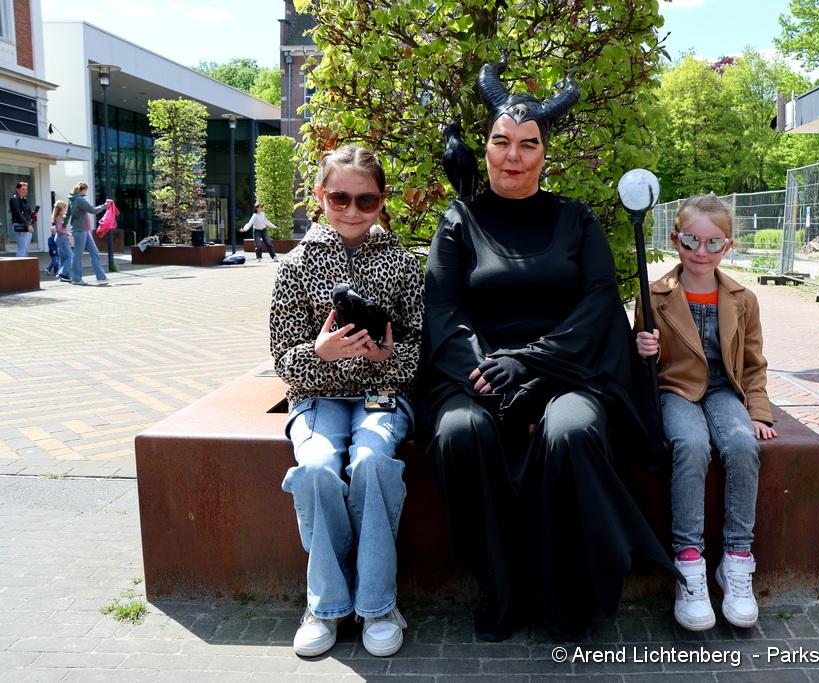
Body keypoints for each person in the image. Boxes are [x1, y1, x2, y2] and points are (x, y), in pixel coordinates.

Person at [423, 58, 676, 641]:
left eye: (527, 144)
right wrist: (484, 371)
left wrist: (530, 363)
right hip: (478, 374)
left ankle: (566, 595)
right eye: (501, 142)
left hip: (566, 371)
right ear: (487, 148)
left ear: (544, 154)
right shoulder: (459, 221)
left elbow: (599, 303)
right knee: (460, 433)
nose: (512, 156)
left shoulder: (576, 220)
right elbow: (443, 309)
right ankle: (501, 589)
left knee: (573, 432)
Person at [270, 144, 424, 659]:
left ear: (381, 201)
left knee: (373, 462)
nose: (352, 211)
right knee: (315, 468)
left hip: (382, 392)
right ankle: (326, 604)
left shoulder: (402, 264)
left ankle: (378, 604)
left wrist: (386, 357)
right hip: (318, 397)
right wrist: (320, 353)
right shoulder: (295, 265)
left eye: (366, 200)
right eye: (340, 198)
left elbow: (423, 349)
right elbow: (282, 360)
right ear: (321, 197)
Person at [634, 194, 776, 632]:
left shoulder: (742, 299)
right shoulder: (654, 295)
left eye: (714, 243)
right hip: (676, 390)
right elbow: (639, 363)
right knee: (691, 444)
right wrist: (642, 349)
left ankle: (736, 558)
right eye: (691, 241)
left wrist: (759, 413)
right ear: (675, 239)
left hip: (723, 390)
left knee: (742, 444)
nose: (701, 252)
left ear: (728, 246)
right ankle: (689, 561)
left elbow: (753, 363)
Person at [66, 182, 112, 286]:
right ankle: (76, 278)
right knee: (78, 254)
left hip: (84, 230)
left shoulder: (73, 199)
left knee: (94, 253)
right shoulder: (79, 200)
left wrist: (64, 225)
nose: (87, 191)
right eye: (86, 189)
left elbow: (67, 214)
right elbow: (92, 210)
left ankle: (101, 277)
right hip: (80, 230)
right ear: (83, 190)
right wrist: (105, 205)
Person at [9, 181, 34, 257]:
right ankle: (18, 264)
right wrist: (28, 225)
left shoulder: (23, 199)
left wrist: (32, 214)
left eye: (26, 189)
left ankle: (24, 264)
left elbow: (26, 212)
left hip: (26, 225)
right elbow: (18, 213)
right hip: (20, 225)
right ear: (17, 189)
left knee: (25, 249)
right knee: (22, 249)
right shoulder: (14, 199)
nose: (25, 191)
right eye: (23, 189)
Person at [52, 201, 73, 281]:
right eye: (65, 208)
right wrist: (68, 234)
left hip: (60, 238)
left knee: (63, 258)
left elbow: (61, 229)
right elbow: (59, 230)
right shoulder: (59, 218)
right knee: (70, 256)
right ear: (61, 209)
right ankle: (63, 273)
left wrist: (66, 236)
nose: (66, 210)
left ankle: (63, 276)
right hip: (61, 238)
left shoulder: (59, 217)